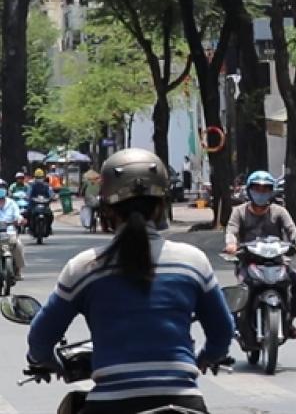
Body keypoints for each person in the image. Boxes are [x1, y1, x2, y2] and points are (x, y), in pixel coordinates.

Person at [26, 148, 234, 414]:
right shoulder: (194, 261)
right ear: (162, 206)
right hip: (184, 402)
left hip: (110, 405)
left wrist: (49, 362)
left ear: (107, 210)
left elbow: (40, 339)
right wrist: (204, 359)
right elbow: (222, 333)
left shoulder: (85, 267)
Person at [225, 170, 296, 340]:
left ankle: (290, 321)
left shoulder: (279, 211)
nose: (261, 193)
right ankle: (235, 323)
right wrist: (231, 244)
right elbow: (231, 230)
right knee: (241, 290)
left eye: (265, 189)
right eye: (257, 188)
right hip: (248, 262)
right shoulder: (239, 212)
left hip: (276, 260)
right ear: (249, 190)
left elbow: (292, 230)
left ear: (272, 191)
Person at [0, 180, 25, 280]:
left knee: (18, 246)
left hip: (10, 232)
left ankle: (18, 270)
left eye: (2, 187)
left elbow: (17, 215)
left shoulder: (12, 203)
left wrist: (20, 220)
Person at [27, 168, 54, 235]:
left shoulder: (46, 186)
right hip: (34, 205)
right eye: (38, 177)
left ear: (43, 177)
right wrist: (28, 197)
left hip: (45, 204)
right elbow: (28, 193)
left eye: (40, 177)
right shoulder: (32, 185)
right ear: (35, 177)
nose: (39, 179)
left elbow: (51, 193)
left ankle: (49, 227)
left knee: (50, 215)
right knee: (28, 213)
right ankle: (30, 228)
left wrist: (53, 197)